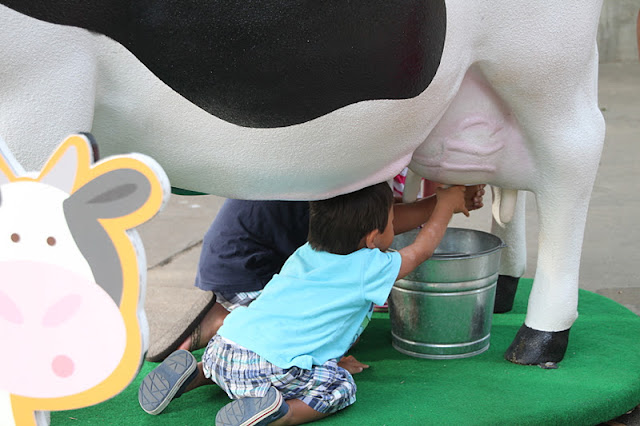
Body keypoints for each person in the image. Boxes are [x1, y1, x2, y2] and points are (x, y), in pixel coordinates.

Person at [139, 182, 482, 425]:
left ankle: (195, 374)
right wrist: (445, 205)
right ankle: (282, 414)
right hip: (268, 369)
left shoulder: (305, 252)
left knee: (247, 357)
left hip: (224, 348)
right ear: (372, 237)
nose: (394, 226)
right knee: (340, 386)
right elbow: (421, 250)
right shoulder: (370, 267)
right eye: (392, 222)